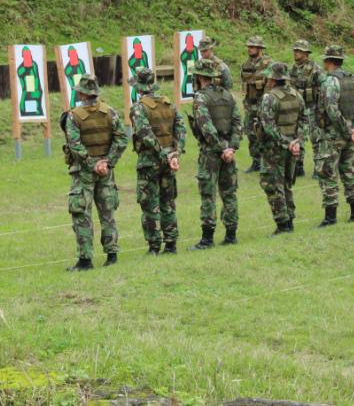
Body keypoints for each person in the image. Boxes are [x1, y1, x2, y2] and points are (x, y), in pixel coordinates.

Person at [60, 74, 129, 271]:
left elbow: (74, 145)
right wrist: (107, 162)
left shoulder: (74, 116)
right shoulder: (110, 112)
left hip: (83, 172)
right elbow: (122, 139)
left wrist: (92, 164)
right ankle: (112, 255)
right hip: (105, 171)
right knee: (107, 212)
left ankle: (85, 260)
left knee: (82, 214)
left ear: (82, 93)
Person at [128, 68, 186, 254]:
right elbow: (181, 129)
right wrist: (175, 153)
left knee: (149, 204)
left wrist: (162, 154)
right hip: (168, 160)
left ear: (139, 88)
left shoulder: (138, 108)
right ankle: (171, 244)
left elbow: (145, 135)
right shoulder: (169, 104)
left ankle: (154, 246)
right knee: (167, 203)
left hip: (149, 162)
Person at [188, 59, 243, 249]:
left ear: (200, 77)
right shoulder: (228, 96)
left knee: (208, 194)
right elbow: (238, 123)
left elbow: (206, 127)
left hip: (212, 152)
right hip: (227, 150)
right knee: (229, 193)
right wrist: (231, 148)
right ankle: (231, 234)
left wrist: (221, 148)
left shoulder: (200, 98)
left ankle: (207, 239)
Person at [311, 45, 354, 226]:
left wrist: (345, 129)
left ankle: (330, 217)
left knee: (327, 173)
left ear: (329, 61)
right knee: (349, 172)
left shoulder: (330, 82)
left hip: (333, 135)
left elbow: (331, 110)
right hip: (350, 135)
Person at [254, 62, 307, 235]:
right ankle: (289, 219)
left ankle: (283, 223)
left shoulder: (269, 98)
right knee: (286, 184)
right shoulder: (297, 95)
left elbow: (268, 126)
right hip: (292, 148)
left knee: (272, 186)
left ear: (272, 79)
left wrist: (286, 142)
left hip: (274, 149)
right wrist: (296, 141)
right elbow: (304, 121)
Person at [239, 36, 273, 173]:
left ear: (260, 49)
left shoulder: (268, 64)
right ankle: (256, 162)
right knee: (251, 134)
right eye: (249, 46)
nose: (249, 49)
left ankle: (267, 162)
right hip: (249, 104)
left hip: (263, 104)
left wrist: (266, 104)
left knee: (264, 133)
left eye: (252, 47)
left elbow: (271, 84)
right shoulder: (246, 64)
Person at [289, 39, 321, 178]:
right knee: (297, 137)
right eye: (295, 50)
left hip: (312, 107)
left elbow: (321, 89)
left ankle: (318, 169)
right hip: (297, 108)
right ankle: (298, 166)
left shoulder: (315, 69)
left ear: (306, 53)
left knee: (316, 138)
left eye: (299, 51)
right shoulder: (292, 69)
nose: (296, 53)